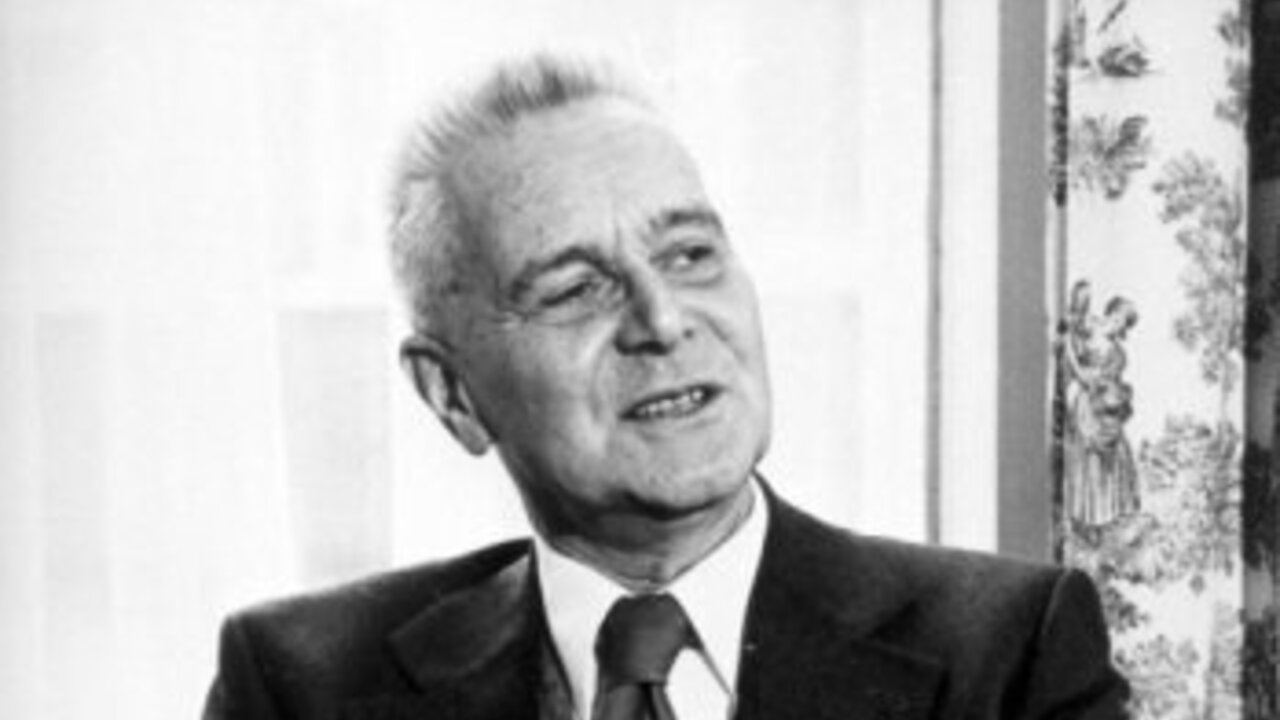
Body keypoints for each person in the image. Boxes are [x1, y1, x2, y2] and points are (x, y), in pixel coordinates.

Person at [203, 55, 1129, 720]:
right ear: (452, 396)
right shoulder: (301, 684)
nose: (664, 319)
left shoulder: (1009, 657)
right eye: (575, 289)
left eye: (689, 254)